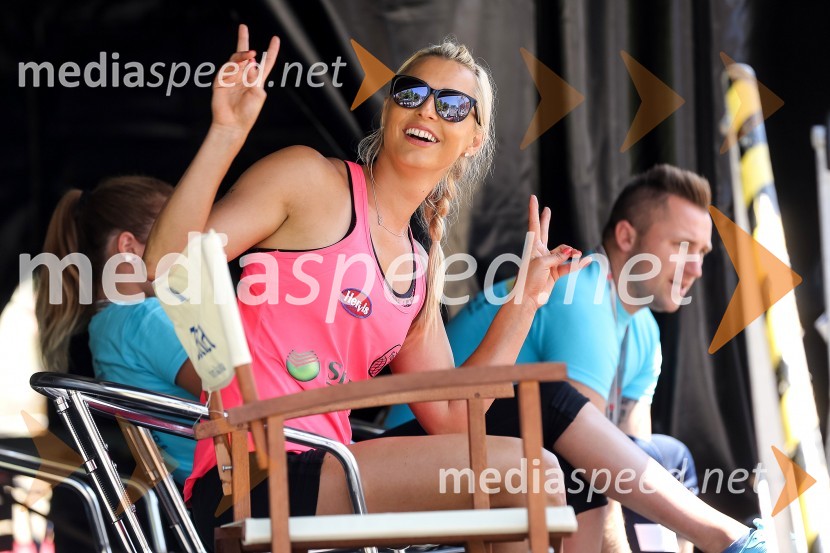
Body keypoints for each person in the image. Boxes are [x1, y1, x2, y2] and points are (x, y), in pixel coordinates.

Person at [143, 25, 766, 553]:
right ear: (389, 110)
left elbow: (452, 419)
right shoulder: (310, 179)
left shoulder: (418, 267)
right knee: (527, 472)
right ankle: (725, 540)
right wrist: (226, 133)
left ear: (474, 140)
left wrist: (524, 302)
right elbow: (166, 267)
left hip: (329, 470)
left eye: (452, 105)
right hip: (252, 481)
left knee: (528, 472)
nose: (427, 110)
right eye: (412, 93)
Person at [445, 165, 711, 551]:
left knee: (669, 458)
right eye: (683, 246)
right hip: (437, 452)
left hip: (510, 455)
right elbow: (593, 462)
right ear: (626, 236)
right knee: (587, 462)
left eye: (702, 253)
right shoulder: (582, 297)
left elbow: (632, 456)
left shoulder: (645, 331)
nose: (696, 268)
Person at [34, 176, 202, 485]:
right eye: (179, 242)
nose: (189, 259)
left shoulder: (105, 328)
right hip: (240, 480)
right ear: (128, 247)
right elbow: (234, 394)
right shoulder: (145, 319)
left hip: (196, 487)